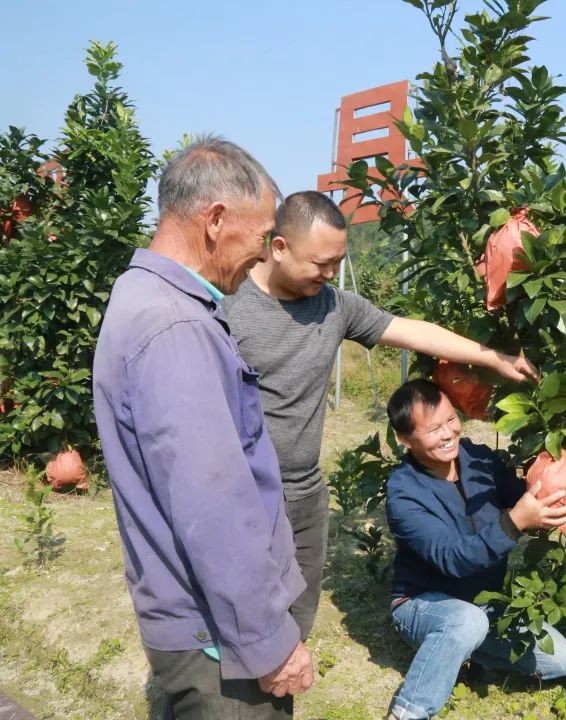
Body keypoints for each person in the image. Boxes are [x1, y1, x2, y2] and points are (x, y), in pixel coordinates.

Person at [223, 191, 539, 641]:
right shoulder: (229, 307)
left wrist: (494, 358)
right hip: (244, 490)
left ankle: (279, 691)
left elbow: (411, 332)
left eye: (338, 261)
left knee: (296, 616)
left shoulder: (334, 305)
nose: (330, 273)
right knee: (241, 612)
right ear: (279, 247)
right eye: (321, 263)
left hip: (305, 491)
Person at [93, 136, 313, 718]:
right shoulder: (174, 327)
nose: (265, 255)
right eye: (263, 236)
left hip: (195, 620)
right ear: (215, 220)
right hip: (220, 641)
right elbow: (213, 506)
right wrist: (269, 644)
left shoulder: (141, 295)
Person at [383, 379, 566, 720]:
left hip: (485, 605)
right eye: (433, 429)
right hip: (423, 604)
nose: (448, 433)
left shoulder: (478, 459)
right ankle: (410, 711)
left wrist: (561, 482)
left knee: (560, 659)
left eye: (451, 419)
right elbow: (453, 558)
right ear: (404, 439)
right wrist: (514, 522)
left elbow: (520, 495)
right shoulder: (404, 493)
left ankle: (464, 654)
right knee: (466, 621)